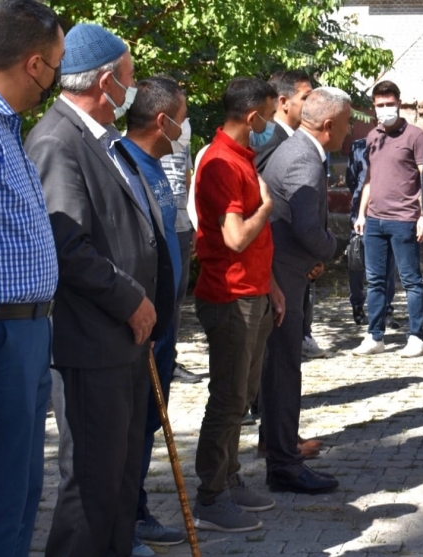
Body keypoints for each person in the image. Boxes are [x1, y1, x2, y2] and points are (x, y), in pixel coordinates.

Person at [26, 23, 176, 557]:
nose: (132, 90)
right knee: (91, 486)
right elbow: (67, 245)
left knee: (118, 482)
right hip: (92, 341)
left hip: (124, 341)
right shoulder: (57, 141)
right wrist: (130, 299)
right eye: (129, 78)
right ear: (106, 80)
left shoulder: (101, 138)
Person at [0, 2, 61, 555]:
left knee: (22, 491)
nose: (54, 79)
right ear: (34, 64)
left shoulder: (3, 124)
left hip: (25, 333)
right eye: (55, 65)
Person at [192, 77, 281, 532]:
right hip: (230, 297)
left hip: (253, 292)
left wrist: (271, 286)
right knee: (228, 398)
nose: (273, 122)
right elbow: (235, 237)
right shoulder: (221, 162)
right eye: (270, 113)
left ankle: (228, 477)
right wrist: (266, 207)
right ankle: (210, 496)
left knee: (242, 395)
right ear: (253, 116)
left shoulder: (240, 156)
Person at [260, 87, 352, 494]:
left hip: (288, 269)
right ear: (329, 125)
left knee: (278, 368)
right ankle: (283, 464)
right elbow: (307, 227)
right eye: (347, 124)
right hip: (282, 277)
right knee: (283, 370)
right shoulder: (303, 157)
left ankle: (276, 446)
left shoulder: (298, 148)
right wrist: (334, 249)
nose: (349, 132)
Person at [120, 76, 189, 556]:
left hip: (164, 322)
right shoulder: (122, 165)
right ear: (162, 121)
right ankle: (122, 522)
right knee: (127, 430)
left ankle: (137, 509)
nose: (184, 131)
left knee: (146, 425)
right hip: (138, 325)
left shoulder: (158, 165)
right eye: (181, 121)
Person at [253, 70, 327, 360]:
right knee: (278, 352)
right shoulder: (270, 141)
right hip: (277, 256)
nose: (312, 103)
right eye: (306, 97)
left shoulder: (298, 140)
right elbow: (263, 198)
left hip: (297, 255)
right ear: (283, 102)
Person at [352, 80, 423, 358]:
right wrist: (361, 213)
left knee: (410, 280)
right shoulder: (373, 136)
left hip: (404, 218)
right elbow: (369, 179)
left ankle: (416, 337)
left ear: (399, 103)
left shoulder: (416, 136)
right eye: (380, 105)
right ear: (373, 106)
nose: (385, 108)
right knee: (374, 281)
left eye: (389, 104)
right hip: (374, 220)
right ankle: (375, 336)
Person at [160, 114, 203, 385]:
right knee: (161, 298)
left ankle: (170, 360)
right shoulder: (137, 141)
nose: (185, 121)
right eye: (180, 115)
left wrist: (192, 225)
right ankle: (156, 359)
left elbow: (187, 183)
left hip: (182, 227)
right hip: (159, 229)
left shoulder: (183, 143)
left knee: (176, 300)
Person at [345, 136, 397, 326]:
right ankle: (357, 305)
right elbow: (351, 179)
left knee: (388, 262)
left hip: (388, 210)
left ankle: (386, 309)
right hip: (361, 213)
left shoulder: (397, 142)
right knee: (356, 260)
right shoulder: (359, 146)